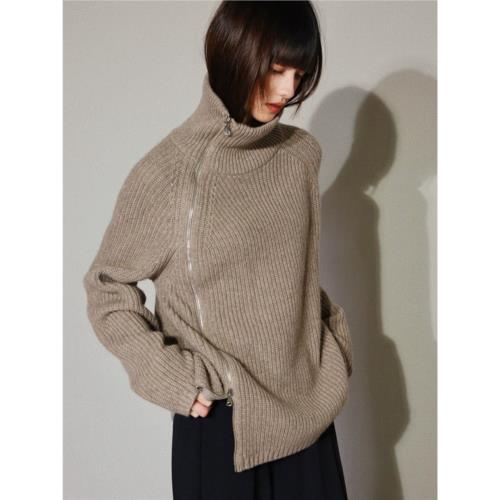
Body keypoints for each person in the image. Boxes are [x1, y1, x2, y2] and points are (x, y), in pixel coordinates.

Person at [83, 1, 353, 499]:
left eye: (299, 74)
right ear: (235, 54)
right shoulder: (170, 173)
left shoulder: (300, 157)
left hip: (307, 421)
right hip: (223, 430)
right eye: (276, 70)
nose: (287, 91)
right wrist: (170, 377)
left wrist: (332, 347)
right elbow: (106, 287)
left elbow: (294, 275)